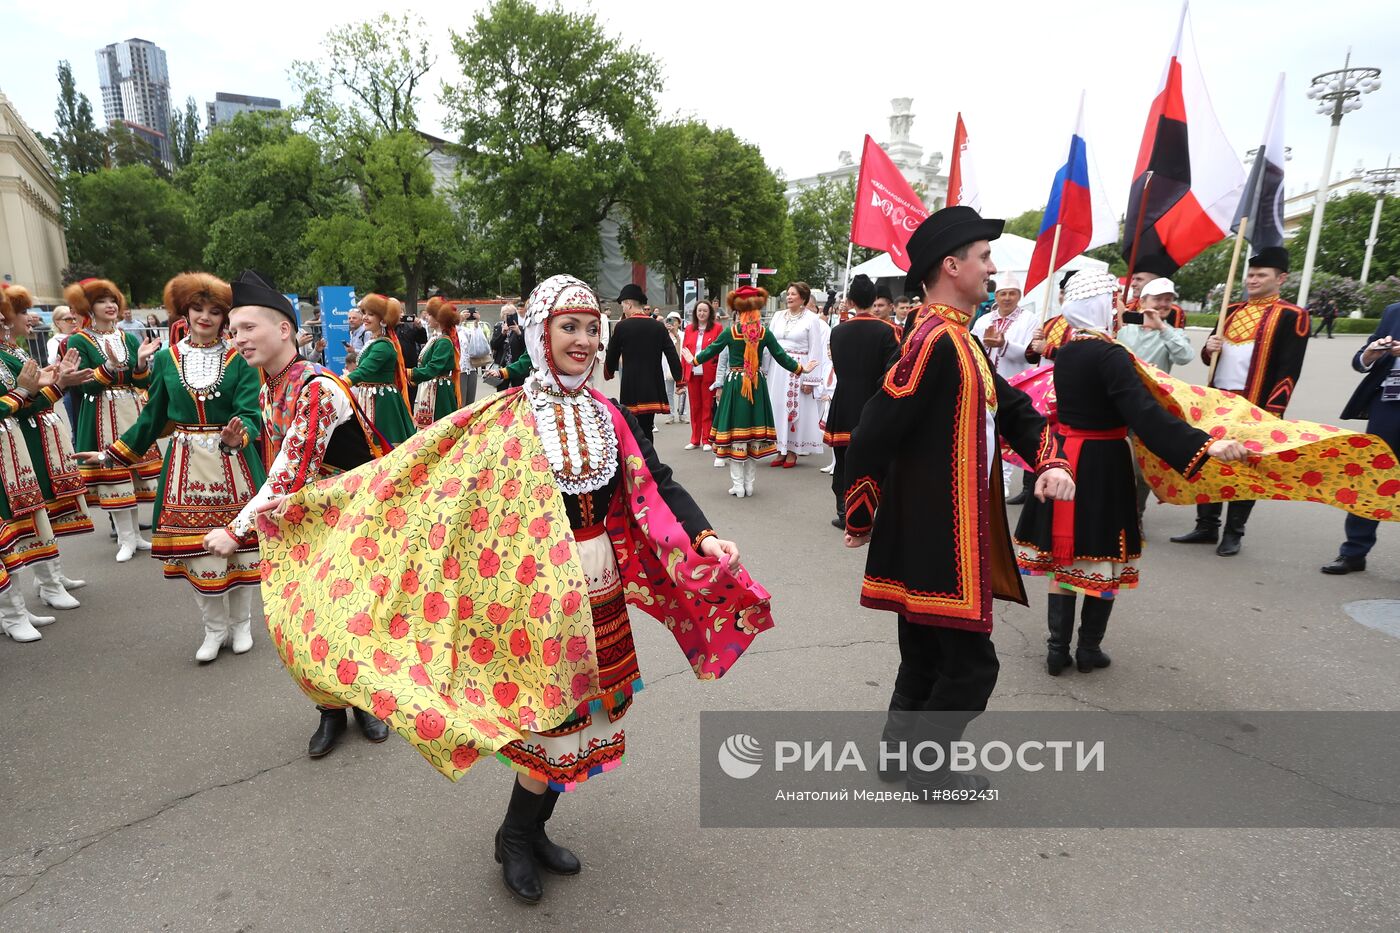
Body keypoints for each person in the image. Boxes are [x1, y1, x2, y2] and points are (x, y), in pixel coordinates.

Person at [254, 274, 774, 904]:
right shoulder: (507, 417)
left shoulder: (608, 415)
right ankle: (515, 836)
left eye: (590, 328)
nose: (583, 340)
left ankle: (531, 829)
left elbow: (659, 483)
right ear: (539, 333)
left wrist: (706, 536)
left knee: (583, 715)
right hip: (531, 598)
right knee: (549, 722)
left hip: (598, 585)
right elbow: (428, 481)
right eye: (569, 327)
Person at [841, 206, 1075, 797]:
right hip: (937, 536)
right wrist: (861, 503)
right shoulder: (933, 341)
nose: (993, 269)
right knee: (972, 665)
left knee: (924, 653)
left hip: (937, 532)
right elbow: (874, 428)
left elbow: (1013, 409)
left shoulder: (958, 338)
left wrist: (1049, 459)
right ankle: (928, 768)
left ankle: (901, 759)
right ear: (952, 266)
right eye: (984, 257)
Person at [1012, 271, 1248, 676]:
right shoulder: (1112, 355)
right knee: (1102, 555)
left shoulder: (1067, 351)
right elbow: (1144, 414)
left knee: (1066, 555)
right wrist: (1204, 443)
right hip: (1103, 461)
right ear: (1102, 306)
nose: (1122, 311)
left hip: (1065, 456)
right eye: (1116, 302)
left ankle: (1056, 649)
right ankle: (1088, 650)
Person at [207, 269, 393, 757]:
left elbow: (291, 468)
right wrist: (237, 444)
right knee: (306, 618)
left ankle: (365, 702)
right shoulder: (271, 385)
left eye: (247, 327)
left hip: (353, 520)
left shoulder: (317, 387)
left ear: (285, 329)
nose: (237, 338)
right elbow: (280, 451)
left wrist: (236, 530)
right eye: (233, 330)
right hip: (307, 519)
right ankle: (330, 710)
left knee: (352, 615)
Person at [79, 273, 267, 663]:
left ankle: (242, 624)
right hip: (186, 467)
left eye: (215, 311)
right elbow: (151, 418)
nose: (205, 317)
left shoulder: (241, 360)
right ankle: (213, 630)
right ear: (184, 311)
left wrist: (240, 435)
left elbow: (251, 414)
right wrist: (111, 454)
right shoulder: (166, 359)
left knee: (242, 549)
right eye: (198, 308)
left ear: (224, 316)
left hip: (234, 465)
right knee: (198, 552)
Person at [1171, 246, 1308, 556]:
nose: (1253, 280)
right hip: (1218, 400)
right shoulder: (1230, 310)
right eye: (1250, 274)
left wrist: (1273, 412)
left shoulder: (1292, 315)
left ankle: (1234, 532)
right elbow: (1210, 356)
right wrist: (1209, 346)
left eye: (1261, 275)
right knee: (1210, 461)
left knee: (1247, 467)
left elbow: (1289, 369)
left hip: (1256, 404)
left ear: (1281, 278)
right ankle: (1206, 526)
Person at [0, 286, 89, 631]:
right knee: (13, 523)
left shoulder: (11, 353)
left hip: (14, 444)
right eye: (21, 313)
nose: (27, 319)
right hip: (17, 442)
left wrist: (54, 382)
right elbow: (20, 400)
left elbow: (26, 400)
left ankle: (27, 601)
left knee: (30, 516)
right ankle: (15, 611)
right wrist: (36, 389)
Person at [63, 278, 163, 561]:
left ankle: (137, 536)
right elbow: (84, 385)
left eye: (113, 300)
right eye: (102, 301)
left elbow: (138, 379)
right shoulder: (79, 340)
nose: (110, 306)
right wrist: (107, 367)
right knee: (114, 475)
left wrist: (142, 362)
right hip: (100, 414)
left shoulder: (127, 338)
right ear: (89, 307)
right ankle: (125, 538)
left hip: (130, 409)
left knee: (132, 473)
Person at [695, 287, 816, 498]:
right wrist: (801, 369)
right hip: (756, 383)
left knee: (736, 435)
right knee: (752, 434)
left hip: (735, 384)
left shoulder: (731, 332)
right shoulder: (763, 332)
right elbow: (781, 356)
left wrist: (693, 359)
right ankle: (749, 485)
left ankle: (738, 485)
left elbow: (711, 351)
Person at [1321, 300, 1400, 574]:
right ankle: (1354, 551)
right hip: (1388, 406)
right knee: (1372, 476)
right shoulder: (1393, 311)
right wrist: (1370, 354)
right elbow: (1359, 360)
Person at [1116, 277, 1197, 519]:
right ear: (1142, 302)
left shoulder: (1173, 333)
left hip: (1150, 408)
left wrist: (1162, 327)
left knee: (1142, 470)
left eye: (1168, 300)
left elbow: (1185, 356)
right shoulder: (1123, 328)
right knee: (1113, 462)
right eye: (1158, 299)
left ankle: (1135, 514)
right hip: (1118, 406)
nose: (1163, 304)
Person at [824, 274, 899, 530]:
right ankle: (877, 512)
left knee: (844, 459)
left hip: (844, 401)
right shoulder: (888, 331)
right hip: (873, 402)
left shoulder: (838, 331)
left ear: (851, 300)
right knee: (878, 459)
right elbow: (892, 372)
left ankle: (844, 511)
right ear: (873, 299)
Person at [970, 272, 1039, 504]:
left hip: (1016, 381)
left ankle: (1004, 481)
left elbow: (1031, 353)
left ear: (1018, 296)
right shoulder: (983, 321)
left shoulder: (1029, 320)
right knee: (986, 431)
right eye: (1002, 294)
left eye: (1012, 294)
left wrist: (1005, 345)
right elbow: (972, 346)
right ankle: (986, 478)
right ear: (996, 296)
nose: (1007, 298)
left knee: (1009, 432)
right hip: (987, 382)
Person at [603, 284, 682, 442]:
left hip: (631, 386)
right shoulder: (658, 327)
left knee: (633, 428)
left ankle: (639, 463)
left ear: (629, 304)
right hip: (652, 385)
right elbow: (671, 354)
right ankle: (650, 462)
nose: (623, 309)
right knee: (647, 427)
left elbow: (612, 354)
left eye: (623, 305)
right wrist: (679, 379)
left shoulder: (622, 327)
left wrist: (608, 372)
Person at [764, 282, 830, 468]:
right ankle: (779, 448)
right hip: (778, 368)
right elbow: (769, 344)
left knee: (794, 409)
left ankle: (792, 450)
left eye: (793, 294)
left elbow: (816, 351)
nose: (789, 297)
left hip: (799, 368)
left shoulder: (811, 319)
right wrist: (765, 369)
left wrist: (811, 380)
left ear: (803, 298)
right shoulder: (777, 316)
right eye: (788, 294)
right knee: (776, 406)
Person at [345, 294, 416, 446]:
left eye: (371, 314)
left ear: (383, 320)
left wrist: (344, 381)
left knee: (384, 446)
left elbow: (365, 370)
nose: (365, 317)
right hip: (372, 398)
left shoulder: (383, 345)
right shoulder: (375, 341)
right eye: (364, 313)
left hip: (382, 403)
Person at [409, 298, 462, 427]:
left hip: (439, 392)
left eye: (431, 315)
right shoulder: (436, 338)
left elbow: (433, 368)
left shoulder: (443, 341)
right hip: (432, 388)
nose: (427, 318)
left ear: (440, 319)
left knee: (439, 429)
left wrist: (409, 373)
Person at [681, 299, 722, 451]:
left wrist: (719, 376)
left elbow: (720, 353)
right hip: (692, 373)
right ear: (695, 313)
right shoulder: (689, 329)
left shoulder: (717, 328)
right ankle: (694, 439)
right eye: (699, 310)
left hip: (708, 374)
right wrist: (682, 375)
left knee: (707, 407)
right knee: (695, 407)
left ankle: (707, 439)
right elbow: (684, 352)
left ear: (710, 313)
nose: (702, 313)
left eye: (705, 310)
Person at [1124, 255, 1187, 330]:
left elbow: (1176, 338)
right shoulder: (1128, 306)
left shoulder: (1173, 311)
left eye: (1139, 279)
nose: (1133, 284)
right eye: (1133, 279)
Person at [457, 305, 493, 404]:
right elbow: (455, 330)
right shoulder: (453, 331)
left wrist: (476, 322)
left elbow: (476, 338)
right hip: (460, 370)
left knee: (470, 402)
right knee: (461, 402)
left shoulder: (465, 331)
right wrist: (459, 320)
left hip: (472, 368)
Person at [491, 303, 528, 388]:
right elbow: (493, 345)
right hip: (502, 365)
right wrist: (502, 334)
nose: (507, 317)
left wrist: (519, 333)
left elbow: (526, 347)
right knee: (501, 392)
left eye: (510, 314)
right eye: (505, 314)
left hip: (516, 365)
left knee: (517, 389)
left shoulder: (521, 328)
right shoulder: (498, 327)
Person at [663, 312, 686, 424]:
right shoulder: (664, 335)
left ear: (679, 323)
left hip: (681, 366)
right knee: (669, 392)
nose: (672, 323)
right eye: (670, 320)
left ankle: (682, 414)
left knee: (682, 391)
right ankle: (671, 415)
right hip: (667, 367)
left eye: (675, 321)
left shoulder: (683, 335)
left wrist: (676, 334)